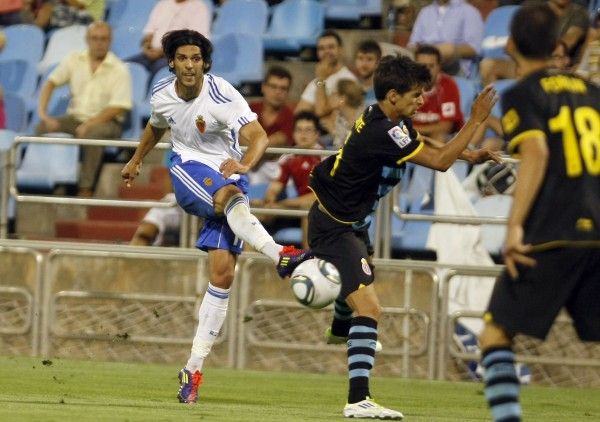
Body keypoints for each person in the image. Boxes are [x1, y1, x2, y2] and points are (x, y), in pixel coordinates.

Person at [120, 29, 312, 405]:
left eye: (196, 58)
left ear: (204, 62)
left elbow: (260, 138)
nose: (190, 65)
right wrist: (137, 158)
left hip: (228, 175)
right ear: (172, 62)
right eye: (182, 58)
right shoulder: (161, 93)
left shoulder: (223, 93)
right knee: (228, 195)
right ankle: (280, 255)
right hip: (187, 169)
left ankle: (192, 369)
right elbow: (157, 124)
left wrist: (244, 163)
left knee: (223, 274)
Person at [307, 54, 499, 419]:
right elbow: (440, 160)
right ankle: (358, 400)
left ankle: (338, 328)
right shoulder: (382, 132)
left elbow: (420, 140)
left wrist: (469, 153)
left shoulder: (384, 118)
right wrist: (475, 120)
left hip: (351, 222)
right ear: (393, 96)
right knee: (371, 308)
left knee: (359, 290)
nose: (421, 100)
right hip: (335, 225)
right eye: (415, 95)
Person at [478, 4, 600, 422]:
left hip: (550, 234)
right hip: (597, 232)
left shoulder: (522, 94)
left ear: (510, 44)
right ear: (556, 46)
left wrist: (514, 227)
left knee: (495, 334)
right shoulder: (592, 91)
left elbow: (536, 152)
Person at [35, 21, 132, 197]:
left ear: (110, 41)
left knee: (93, 134)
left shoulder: (119, 69)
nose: (99, 43)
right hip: (75, 118)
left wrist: (90, 123)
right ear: (87, 40)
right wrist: (43, 114)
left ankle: (85, 188)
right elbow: (50, 83)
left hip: (107, 123)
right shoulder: (74, 60)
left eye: (103, 39)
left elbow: (119, 106)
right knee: (42, 127)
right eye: (95, 39)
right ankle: (45, 181)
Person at [254, 111, 322, 248]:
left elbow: (317, 197)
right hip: (295, 207)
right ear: (294, 133)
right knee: (253, 206)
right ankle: (248, 263)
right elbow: (275, 186)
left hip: (321, 209)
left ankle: (309, 263)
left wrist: (284, 204)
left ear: (317, 134)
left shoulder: (325, 158)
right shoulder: (289, 157)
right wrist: (270, 198)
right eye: (299, 130)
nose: (303, 134)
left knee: (308, 208)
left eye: (308, 130)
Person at [127, 0, 211, 81]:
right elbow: (149, 32)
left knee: (158, 70)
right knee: (125, 66)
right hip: (151, 54)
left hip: (175, 56)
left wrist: (162, 52)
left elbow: (196, 41)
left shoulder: (199, 7)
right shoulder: (162, 4)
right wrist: (146, 49)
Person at [407, 0, 484, 77]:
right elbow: (413, 44)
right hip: (423, 60)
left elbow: (475, 48)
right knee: (397, 52)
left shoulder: (469, 11)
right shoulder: (425, 12)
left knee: (446, 49)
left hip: (455, 68)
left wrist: (452, 50)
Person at [248, 65, 295, 185]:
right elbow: (239, 139)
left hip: (275, 167)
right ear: (263, 87)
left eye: (283, 88)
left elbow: (280, 141)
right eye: (273, 87)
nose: (278, 92)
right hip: (247, 165)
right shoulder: (250, 109)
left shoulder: (290, 115)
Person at [294, 30, 357, 117]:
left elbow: (320, 111)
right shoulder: (316, 81)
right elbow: (299, 114)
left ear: (340, 50)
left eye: (331, 47)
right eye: (321, 48)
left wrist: (321, 80)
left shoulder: (348, 79)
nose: (326, 51)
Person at [412, 44, 464, 142]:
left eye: (431, 66)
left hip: (442, 139)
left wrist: (413, 130)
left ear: (439, 67)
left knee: (439, 136)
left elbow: (445, 127)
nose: (427, 70)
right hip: (413, 137)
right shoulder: (406, 85)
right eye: (422, 66)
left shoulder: (448, 85)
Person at [352, 39, 382, 105]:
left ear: (378, 62)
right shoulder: (351, 88)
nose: (364, 64)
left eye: (369, 59)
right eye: (360, 58)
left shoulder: (383, 91)